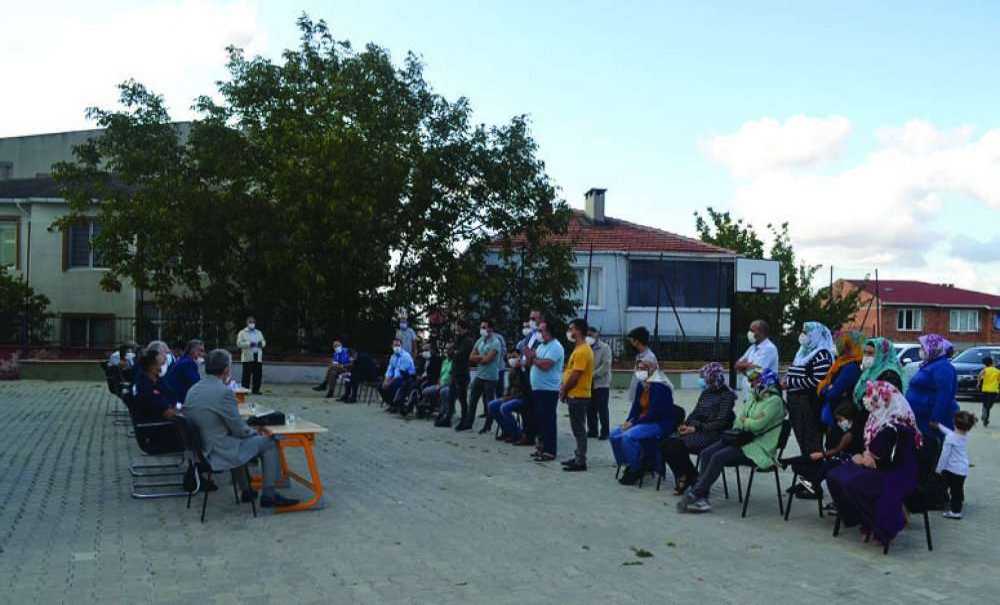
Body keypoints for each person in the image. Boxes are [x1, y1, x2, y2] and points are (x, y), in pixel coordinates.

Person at [183, 349, 299, 508]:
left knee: (239, 441)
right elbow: (239, 430)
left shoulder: (193, 389)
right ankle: (269, 495)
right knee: (269, 442)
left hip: (199, 450)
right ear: (226, 369)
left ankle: (246, 490)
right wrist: (255, 432)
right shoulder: (224, 392)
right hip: (217, 451)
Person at [826, 380, 921, 547]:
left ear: (885, 400)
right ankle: (863, 520)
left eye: (874, 398)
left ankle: (872, 522)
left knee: (849, 482)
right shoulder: (881, 419)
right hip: (884, 469)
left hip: (893, 474)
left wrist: (862, 458)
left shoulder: (893, 425)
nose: (869, 402)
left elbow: (877, 460)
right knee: (836, 476)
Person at [678, 367, 786, 513]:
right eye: (750, 381)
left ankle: (697, 494)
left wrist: (746, 421)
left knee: (718, 457)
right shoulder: (755, 398)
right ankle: (702, 498)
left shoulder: (775, 402)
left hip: (758, 447)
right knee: (706, 453)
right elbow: (738, 423)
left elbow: (757, 426)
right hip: (740, 439)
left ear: (766, 381)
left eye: (754, 380)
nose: (751, 384)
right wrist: (749, 421)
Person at [659, 362, 736, 495]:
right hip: (696, 430)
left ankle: (689, 477)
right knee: (665, 443)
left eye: (705, 377)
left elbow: (720, 422)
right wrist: (687, 425)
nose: (703, 380)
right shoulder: (706, 392)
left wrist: (696, 428)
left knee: (676, 445)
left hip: (713, 434)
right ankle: (689, 475)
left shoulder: (727, 395)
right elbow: (695, 413)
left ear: (713, 377)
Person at [781, 402, 864, 504]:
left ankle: (811, 483)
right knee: (812, 459)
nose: (839, 423)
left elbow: (837, 450)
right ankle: (787, 462)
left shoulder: (851, 434)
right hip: (839, 458)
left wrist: (822, 454)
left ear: (850, 418)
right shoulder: (846, 431)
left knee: (823, 465)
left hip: (846, 461)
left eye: (840, 420)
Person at [783, 321, 835, 459]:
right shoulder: (802, 352)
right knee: (802, 440)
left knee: (811, 442)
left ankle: (812, 475)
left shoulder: (822, 354)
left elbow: (817, 381)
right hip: (796, 402)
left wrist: (789, 383)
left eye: (806, 332)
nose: (802, 335)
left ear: (816, 335)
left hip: (809, 404)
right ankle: (807, 475)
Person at [525, 320, 564, 461]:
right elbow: (531, 362)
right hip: (537, 388)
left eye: (541, 331)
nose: (538, 334)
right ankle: (540, 447)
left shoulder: (556, 347)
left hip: (549, 389)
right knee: (540, 420)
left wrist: (533, 357)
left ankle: (549, 450)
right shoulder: (541, 346)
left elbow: (546, 365)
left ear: (549, 332)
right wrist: (530, 357)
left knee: (548, 420)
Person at [905, 334, 959, 436]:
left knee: (930, 449)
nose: (921, 350)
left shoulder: (942, 367)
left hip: (930, 420)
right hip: (921, 417)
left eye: (923, 347)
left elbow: (945, 394)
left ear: (933, 348)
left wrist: (936, 418)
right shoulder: (930, 364)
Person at [560, 318, 595, 472]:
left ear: (579, 331)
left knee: (579, 429)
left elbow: (575, 375)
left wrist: (564, 389)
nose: (570, 332)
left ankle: (581, 461)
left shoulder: (582, 351)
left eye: (571, 329)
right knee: (577, 428)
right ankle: (578, 456)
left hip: (578, 395)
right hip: (575, 394)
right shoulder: (579, 349)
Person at [932, 410, 976, 519]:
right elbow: (950, 432)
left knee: (947, 488)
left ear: (954, 423)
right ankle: (956, 506)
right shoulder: (964, 435)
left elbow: (944, 455)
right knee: (957, 490)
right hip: (962, 469)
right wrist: (939, 426)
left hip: (952, 469)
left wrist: (938, 469)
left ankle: (955, 512)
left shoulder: (950, 438)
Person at [465, 319, 502, 433]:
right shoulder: (480, 340)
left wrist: (479, 357)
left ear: (491, 329)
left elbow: (487, 360)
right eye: (481, 327)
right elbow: (471, 357)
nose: (482, 330)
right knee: (473, 399)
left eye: (484, 327)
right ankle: (469, 423)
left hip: (491, 377)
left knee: (489, 402)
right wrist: (482, 357)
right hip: (480, 375)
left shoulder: (496, 342)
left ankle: (488, 425)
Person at [853, 337, 907, 406]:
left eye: (870, 353)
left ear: (880, 354)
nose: (866, 356)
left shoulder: (890, 375)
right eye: (865, 352)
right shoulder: (870, 371)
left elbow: (883, 404)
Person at [734, 319, 780, 399]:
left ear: (761, 332)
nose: (749, 333)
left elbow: (756, 373)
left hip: (762, 396)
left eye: (752, 330)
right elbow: (736, 365)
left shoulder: (769, 348)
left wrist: (743, 367)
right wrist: (748, 366)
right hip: (748, 395)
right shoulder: (752, 347)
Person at [133, 346, 180, 423]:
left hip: (166, 415)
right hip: (156, 424)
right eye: (160, 364)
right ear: (152, 366)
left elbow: (171, 395)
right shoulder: (144, 385)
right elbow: (161, 409)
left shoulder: (158, 380)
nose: (161, 368)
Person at [487, 351, 527, 441]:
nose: (511, 359)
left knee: (504, 408)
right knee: (492, 405)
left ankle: (516, 433)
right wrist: (505, 396)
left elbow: (525, 391)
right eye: (510, 357)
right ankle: (507, 430)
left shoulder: (525, 371)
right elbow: (509, 387)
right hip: (511, 397)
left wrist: (509, 398)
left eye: (514, 357)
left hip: (521, 398)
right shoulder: (512, 371)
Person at [444, 321, 475, 429]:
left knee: (462, 398)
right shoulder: (458, 340)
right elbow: (450, 352)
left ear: (465, 329)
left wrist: (453, 352)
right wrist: (453, 352)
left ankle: (464, 419)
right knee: (451, 397)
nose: (457, 331)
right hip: (455, 372)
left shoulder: (468, 341)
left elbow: (460, 355)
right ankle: (448, 418)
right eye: (456, 329)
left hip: (462, 373)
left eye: (459, 329)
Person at [586, 326, 613, 440]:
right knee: (589, 408)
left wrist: (592, 375)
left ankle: (605, 432)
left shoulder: (604, 347)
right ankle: (592, 430)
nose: (590, 337)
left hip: (601, 382)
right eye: (588, 335)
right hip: (588, 383)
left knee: (602, 408)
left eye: (592, 334)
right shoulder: (585, 347)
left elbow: (606, 365)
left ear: (597, 334)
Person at [165, 339, 205, 404]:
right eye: (200, 350)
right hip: (180, 401)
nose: (202, 354)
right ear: (192, 350)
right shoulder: (188, 363)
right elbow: (196, 384)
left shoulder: (182, 360)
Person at [381, 338, 415, 408]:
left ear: (401, 346)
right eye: (395, 345)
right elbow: (390, 370)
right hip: (396, 378)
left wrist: (389, 382)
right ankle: (390, 403)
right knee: (381, 386)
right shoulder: (393, 357)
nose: (396, 347)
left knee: (393, 385)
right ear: (392, 346)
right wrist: (386, 380)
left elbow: (400, 373)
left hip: (406, 378)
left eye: (398, 345)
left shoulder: (406, 356)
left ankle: (395, 405)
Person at [625, 326, 657, 402]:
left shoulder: (649, 358)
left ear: (637, 341)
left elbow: (645, 382)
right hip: (638, 399)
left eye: (632, 340)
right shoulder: (640, 355)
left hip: (643, 400)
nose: (630, 343)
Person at [236, 316, 266, 395]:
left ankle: (256, 390)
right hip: (247, 356)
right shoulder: (242, 332)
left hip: (257, 355)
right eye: (250, 322)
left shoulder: (258, 332)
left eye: (253, 322)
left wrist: (261, 344)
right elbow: (239, 343)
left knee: (258, 374)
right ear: (247, 323)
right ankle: (245, 390)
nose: (252, 324)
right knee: (246, 374)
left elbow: (263, 341)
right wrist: (249, 344)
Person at [428, 352, 453, 424]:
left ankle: (444, 413)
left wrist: (442, 386)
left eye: (449, 350)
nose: (448, 352)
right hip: (440, 384)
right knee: (426, 391)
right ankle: (433, 408)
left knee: (444, 391)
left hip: (449, 386)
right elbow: (440, 375)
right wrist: (439, 383)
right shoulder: (444, 361)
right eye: (447, 350)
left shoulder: (454, 362)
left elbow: (452, 378)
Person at [977, 356, 998, 427]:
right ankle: (986, 418)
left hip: (985, 390)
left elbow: (979, 375)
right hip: (994, 390)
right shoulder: (997, 371)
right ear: (992, 363)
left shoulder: (985, 370)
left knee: (985, 403)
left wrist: (978, 383)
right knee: (989, 405)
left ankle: (984, 412)